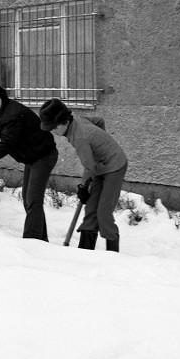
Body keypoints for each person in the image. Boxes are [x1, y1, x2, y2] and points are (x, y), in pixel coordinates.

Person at [0, 84, 58, 241]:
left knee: (32, 200)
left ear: (2, 97)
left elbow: (7, 144)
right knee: (29, 199)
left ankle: (32, 242)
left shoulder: (12, 115)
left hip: (43, 156)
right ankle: (41, 240)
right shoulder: (4, 111)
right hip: (33, 156)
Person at [39, 98, 128, 252]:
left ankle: (113, 254)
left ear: (65, 122)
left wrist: (83, 186)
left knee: (103, 213)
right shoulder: (75, 120)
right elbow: (99, 121)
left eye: (54, 127)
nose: (52, 131)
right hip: (99, 166)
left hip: (114, 166)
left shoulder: (80, 138)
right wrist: (99, 147)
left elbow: (89, 166)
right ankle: (85, 252)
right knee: (91, 210)